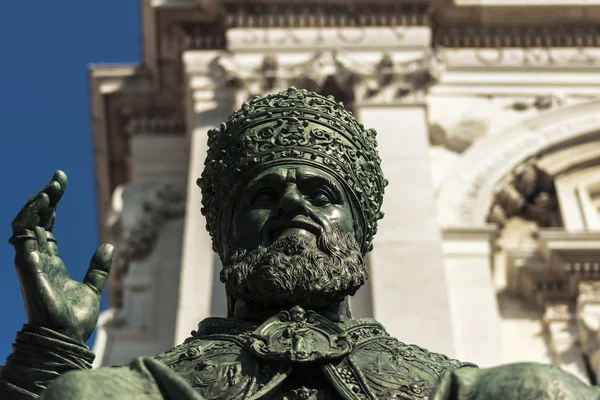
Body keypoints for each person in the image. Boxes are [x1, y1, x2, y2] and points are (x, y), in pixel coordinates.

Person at [1, 87, 597, 399]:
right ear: (226, 237)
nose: (294, 204)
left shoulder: (456, 391)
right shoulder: (146, 391)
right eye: (264, 195)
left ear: (359, 235)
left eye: (321, 192)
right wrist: (49, 351)